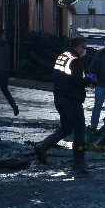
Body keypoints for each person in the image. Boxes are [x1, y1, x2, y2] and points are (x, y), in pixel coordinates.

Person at [34, 37, 93, 170]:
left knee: (66, 128)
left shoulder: (62, 56)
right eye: (84, 48)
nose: (85, 50)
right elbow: (77, 81)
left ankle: (43, 147)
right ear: (78, 47)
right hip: (71, 99)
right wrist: (89, 81)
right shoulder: (76, 61)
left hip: (60, 97)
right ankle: (79, 161)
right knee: (79, 130)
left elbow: (61, 76)